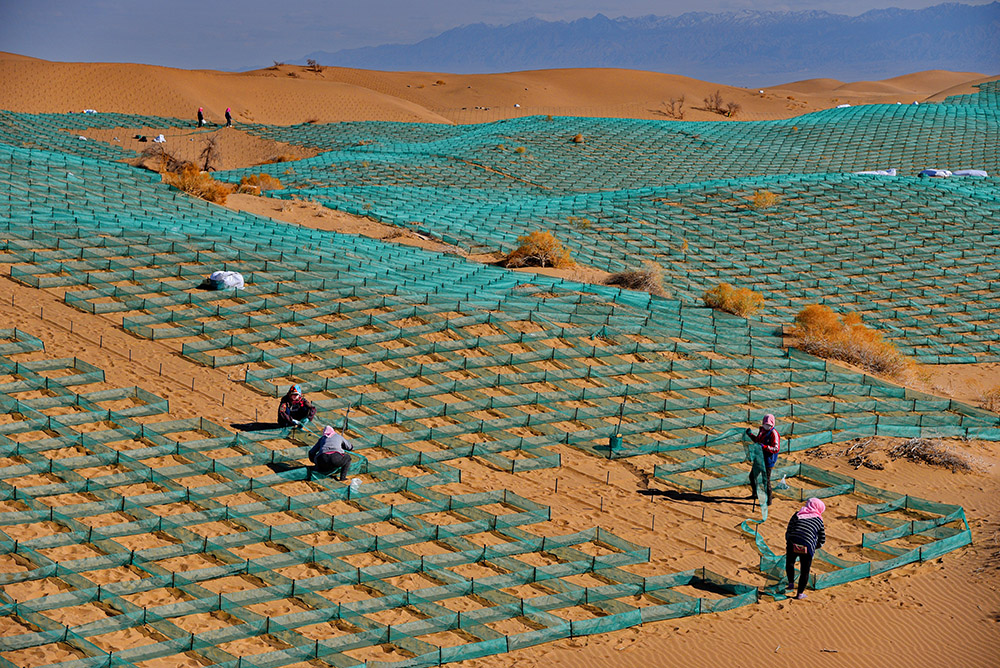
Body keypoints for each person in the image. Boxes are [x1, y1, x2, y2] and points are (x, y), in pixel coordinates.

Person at [785, 497, 826, 599]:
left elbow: (789, 529)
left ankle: (790, 584)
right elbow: (822, 539)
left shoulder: (798, 514)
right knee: (805, 571)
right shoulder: (818, 520)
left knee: (790, 563)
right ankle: (799, 594)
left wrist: (789, 542)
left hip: (792, 541)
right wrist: (813, 547)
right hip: (807, 545)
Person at [746, 414, 780, 502]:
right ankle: (755, 494)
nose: (767, 426)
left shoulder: (774, 433)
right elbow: (757, 440)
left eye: (769, 424)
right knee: (752, 476)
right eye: (765, 424)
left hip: (768, 460)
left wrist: (764, 447)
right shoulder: (762, 430)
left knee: (766, 480)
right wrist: (751, 435)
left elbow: (776, 449)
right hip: (759, 458)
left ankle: (769, 500)